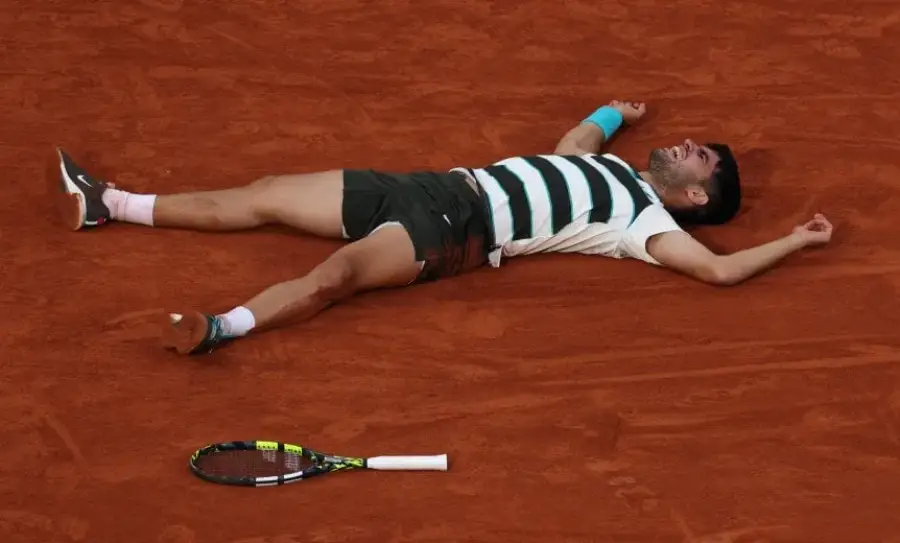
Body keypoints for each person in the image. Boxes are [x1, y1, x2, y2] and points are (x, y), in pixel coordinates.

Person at [53, 99, 833, 355]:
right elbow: (577, 145)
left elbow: (720, 271)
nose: (689, 145)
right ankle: (110, 203)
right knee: (262, 194)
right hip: (429, 184)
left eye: (701, 159)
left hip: (457, 226)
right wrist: (612, 112)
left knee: (336, 279)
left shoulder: (640, 219)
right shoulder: (616, 174)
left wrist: (797, 240)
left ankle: (220, 328)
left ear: (697, 199)